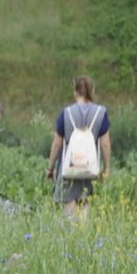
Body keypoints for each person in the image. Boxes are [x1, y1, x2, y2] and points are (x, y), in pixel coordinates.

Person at [47, 75, 111, 208]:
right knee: (85, 204)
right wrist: (106, 168)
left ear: (75, 92)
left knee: (69, 210)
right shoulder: (101, 113)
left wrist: (50, 168)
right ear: (92, 91)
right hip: (89, 169)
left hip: (68, 169)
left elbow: (57, 144)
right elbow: (105, 144)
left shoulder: (66, 113)